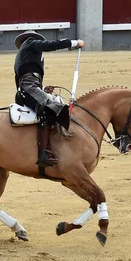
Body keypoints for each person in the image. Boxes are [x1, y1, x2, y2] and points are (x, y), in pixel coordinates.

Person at [13, 30, 85, 167]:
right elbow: (49, 45)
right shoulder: (30, 43)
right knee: (49, 108)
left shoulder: (25, 56)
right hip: (29, 87)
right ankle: (43, 152)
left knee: (54, 102)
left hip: (30, 87)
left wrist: (43, 90)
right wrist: (74, 43)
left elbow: (24, 79)